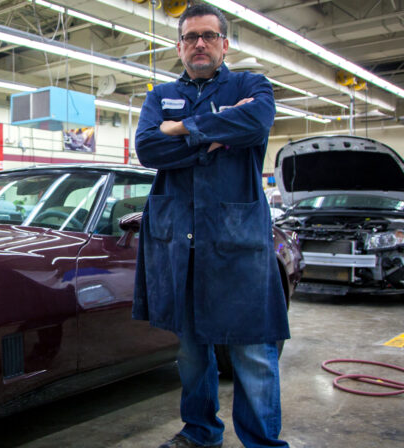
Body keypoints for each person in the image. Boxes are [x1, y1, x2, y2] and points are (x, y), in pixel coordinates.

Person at [133, 4, 290, 448]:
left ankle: (263, 442)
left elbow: (256, 120)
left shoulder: (250, 85)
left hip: (236, 242)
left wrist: (181, 128)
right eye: (190, 37)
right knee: (191, 351)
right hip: (181, 244)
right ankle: (200, 433)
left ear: (224, 43)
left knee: (252, 350)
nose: (198, 44)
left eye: (208, 35)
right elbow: (148, 149)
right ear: (179, 46)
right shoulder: (158, 94)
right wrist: (215, 140)